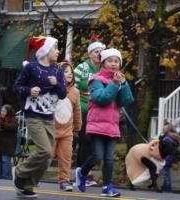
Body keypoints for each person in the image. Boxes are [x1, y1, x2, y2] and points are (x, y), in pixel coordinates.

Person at [75, 48, 134, 197]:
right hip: (96, 125)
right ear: (103, 63)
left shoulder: (118, 81)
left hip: (112, 125)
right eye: (110, 61)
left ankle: (107, 187)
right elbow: (102, 99)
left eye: (116, 61)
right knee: (98, 156)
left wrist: (124, 84)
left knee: (109, 158)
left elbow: (126, 100)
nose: (114, 64)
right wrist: (114, 84)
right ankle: (82, 172)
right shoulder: (96, 80)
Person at [13, 36, 66, 198]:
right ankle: (20, 171)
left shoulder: (57, 70)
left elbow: (63, 94)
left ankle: (28, 185)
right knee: (44, 151)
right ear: (45, 51)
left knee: (48, 156)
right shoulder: (30, 68)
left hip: (49, 117)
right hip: (33, 115)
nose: (58, 51)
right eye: (55, 48)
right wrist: (29, 90)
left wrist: (57, 83)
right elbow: (16, 87)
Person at [74, 35, 105, 186]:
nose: (98, 55)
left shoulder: (104, 69)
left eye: (101, 52)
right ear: (89, 53)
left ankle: (85, 171)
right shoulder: (82, 68)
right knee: (86, 139)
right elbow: (71, 84)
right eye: (95, 52)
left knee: (94, 141)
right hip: (83, 106)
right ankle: (82, 172)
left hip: (98, 108)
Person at [54, 61, 82, 191]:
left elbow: (77, 111)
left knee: (66, 156)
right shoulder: (52, 88)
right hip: (52, 129)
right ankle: (31, 176)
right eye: (65, 71)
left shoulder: (75, 92)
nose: (69, 73)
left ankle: (64, 181)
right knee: (46, 155)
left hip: (67, 131)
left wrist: (77, 127)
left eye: (71, 71)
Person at [0, 104, 18, 180]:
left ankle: (7, 177)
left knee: (5, 160)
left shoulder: (13, 119)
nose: (2, 112)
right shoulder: (0, 119)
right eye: (1, 111)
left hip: (8, 145)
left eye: (4, 111)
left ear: (8, 112)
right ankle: (1, 176)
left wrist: (2, 125)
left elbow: (13, 127)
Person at [159, 123, 180, 192]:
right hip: (171, 156)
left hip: (168, 156)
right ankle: (165, 185)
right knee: (166, 171)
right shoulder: (173, 136)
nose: (163, 129)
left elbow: (163, 144)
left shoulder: (167, 138)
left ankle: (168, 186)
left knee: (166, 172)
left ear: (167, 130)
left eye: (164, 128)